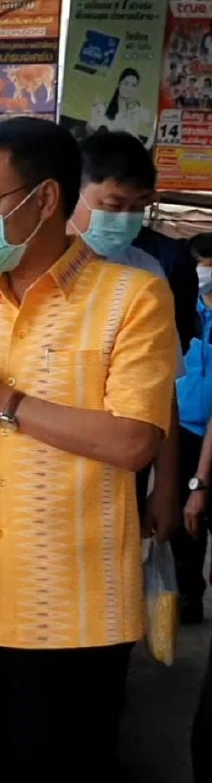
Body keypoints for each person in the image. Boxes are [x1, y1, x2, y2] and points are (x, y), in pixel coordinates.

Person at [0, 117, 177, 783]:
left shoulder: (133, 299)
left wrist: (1, 396)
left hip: (71, 609)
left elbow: (134, 439)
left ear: (45, 199)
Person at [69, 129, 185, 545]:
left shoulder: (146, 275)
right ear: (73, 193)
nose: (125, 220)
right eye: (113, 206)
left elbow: (162, 391)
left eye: (138, 208)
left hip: (116, 472)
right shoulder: (25, 262)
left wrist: (168, 484)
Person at [177, 233, 212, 627]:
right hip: (185, 429)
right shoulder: (182, 310)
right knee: (186, 525)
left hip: (208, 429)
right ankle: (189, 597)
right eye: (199, 264)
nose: (203, 273)